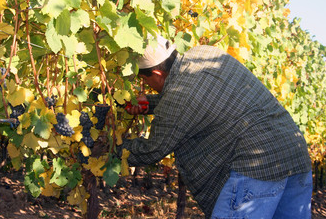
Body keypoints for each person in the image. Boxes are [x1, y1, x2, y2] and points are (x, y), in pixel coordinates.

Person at [118, 35, 312, 219]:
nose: (148, 86)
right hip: (295, 153)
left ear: (157, 73)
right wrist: (149, 103)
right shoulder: (203, 54)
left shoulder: (179, 97)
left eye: (145, 80)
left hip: (258, 167)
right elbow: (198, 100)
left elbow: (151, 150)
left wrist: (108, 150)